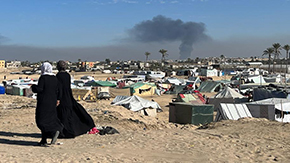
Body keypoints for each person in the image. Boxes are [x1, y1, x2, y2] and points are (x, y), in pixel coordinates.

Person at [56, 60, 97, 138]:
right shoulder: (67, 75)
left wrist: (58, 98)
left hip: (62, 97)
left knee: (63, 116)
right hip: (68, 96)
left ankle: (66, 132)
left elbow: (59, 88)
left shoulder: (58, 76)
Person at [31, 62, 63, 146]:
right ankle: (44, 139)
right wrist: (58, 99)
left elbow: (40, 89)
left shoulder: (43, 78)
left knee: (41, 120)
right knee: (50, 118)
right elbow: (59, 89)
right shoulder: (54, 78)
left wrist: (33, 87)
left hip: (43, 101)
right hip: (52, 101)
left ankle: (54, 131)